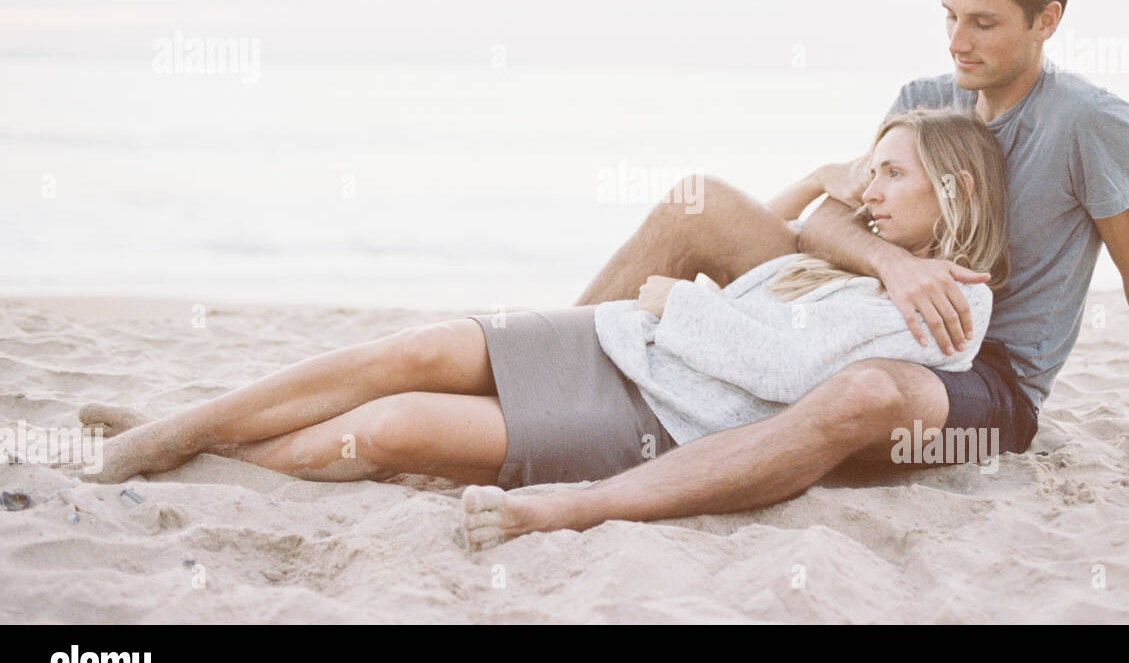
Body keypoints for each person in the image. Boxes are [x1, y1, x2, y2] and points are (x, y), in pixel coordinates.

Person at [454, 0, 1129, 550]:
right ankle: (530, 377)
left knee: (863, 394)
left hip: (983, 380)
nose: (958, 42)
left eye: (984, 23)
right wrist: (892, 263)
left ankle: (590, 501)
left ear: (1047, 20)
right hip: (870, 304)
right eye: (949, 15)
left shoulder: (1094, 125)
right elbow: (838, 216)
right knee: (693, 202)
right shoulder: (927, 89)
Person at [76, 109, 1009, 495]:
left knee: (393, 426)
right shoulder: (874, 256)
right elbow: (768, 254)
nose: (869, 190)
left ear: (956, 196)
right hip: (618, 339)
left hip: (656, 416)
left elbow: (787, 371)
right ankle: (175, 429)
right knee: (406, 350)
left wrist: (674, 299)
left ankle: (216, 462)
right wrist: (820, 184)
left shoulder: (949, 306)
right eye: (870, 170)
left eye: (891, 175)